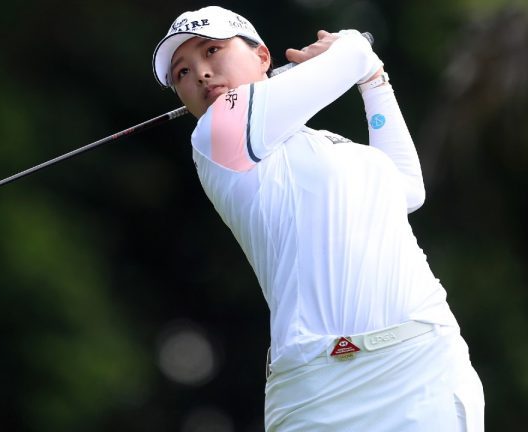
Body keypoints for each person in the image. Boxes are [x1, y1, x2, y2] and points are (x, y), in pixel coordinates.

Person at [151, 5, 484, 431]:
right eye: (182, 72)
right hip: (316, 389)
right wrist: (351, 45)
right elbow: (353, 54)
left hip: (419, 364)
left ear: (264, 56)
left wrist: (373, 83)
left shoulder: (331, 147)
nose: (200, 74)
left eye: (212, 50)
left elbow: (406, 187)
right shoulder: (216, 135)